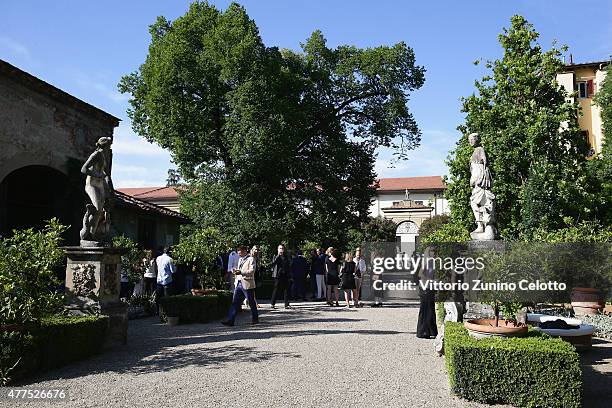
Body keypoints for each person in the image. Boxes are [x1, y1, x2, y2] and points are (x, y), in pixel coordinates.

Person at [222, 246, 259, 326]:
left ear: (245, 251)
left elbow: (252, 271)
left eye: (240, 252)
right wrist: (235, 271)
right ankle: (230, 320)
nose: (239, 254)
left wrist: (241, 272)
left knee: (251, 302)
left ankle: (255, 319)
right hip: (239, 283)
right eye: (238, 252)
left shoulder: (251, 259)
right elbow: (240, 270)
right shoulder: (240, 259)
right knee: (235, 302)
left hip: (247, 284)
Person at [416, 248, 438, 338]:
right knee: (426, 310)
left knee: (430, 309)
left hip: (430, 287)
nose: (434, 253)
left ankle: (430, 331)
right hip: (426, 288)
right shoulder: (427, 261)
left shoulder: (433, 261)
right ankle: (423, 332)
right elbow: (420, 273)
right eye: (432, 251)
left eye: (434, 251)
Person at [156, 247, 176, 314]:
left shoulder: (158, 258)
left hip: (159, 280)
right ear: (170, 252)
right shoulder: (170, 259)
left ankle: (158, 311)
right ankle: (166, 312)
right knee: (167, 298)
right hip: (167, 281)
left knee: (159, 298)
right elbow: (173, 271)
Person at [270, 244, 291, 309]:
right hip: (278, 275)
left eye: (282, 248)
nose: (281, 250)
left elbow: (289, 265)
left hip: (285, 275)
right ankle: (272, 303)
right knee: (276, 289)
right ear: (278, 249)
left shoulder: (286, 257)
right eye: (280, 248)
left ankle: (286, 304)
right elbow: (273, 264)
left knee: (286, 289)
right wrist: (278, 256)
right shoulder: (275, 257)